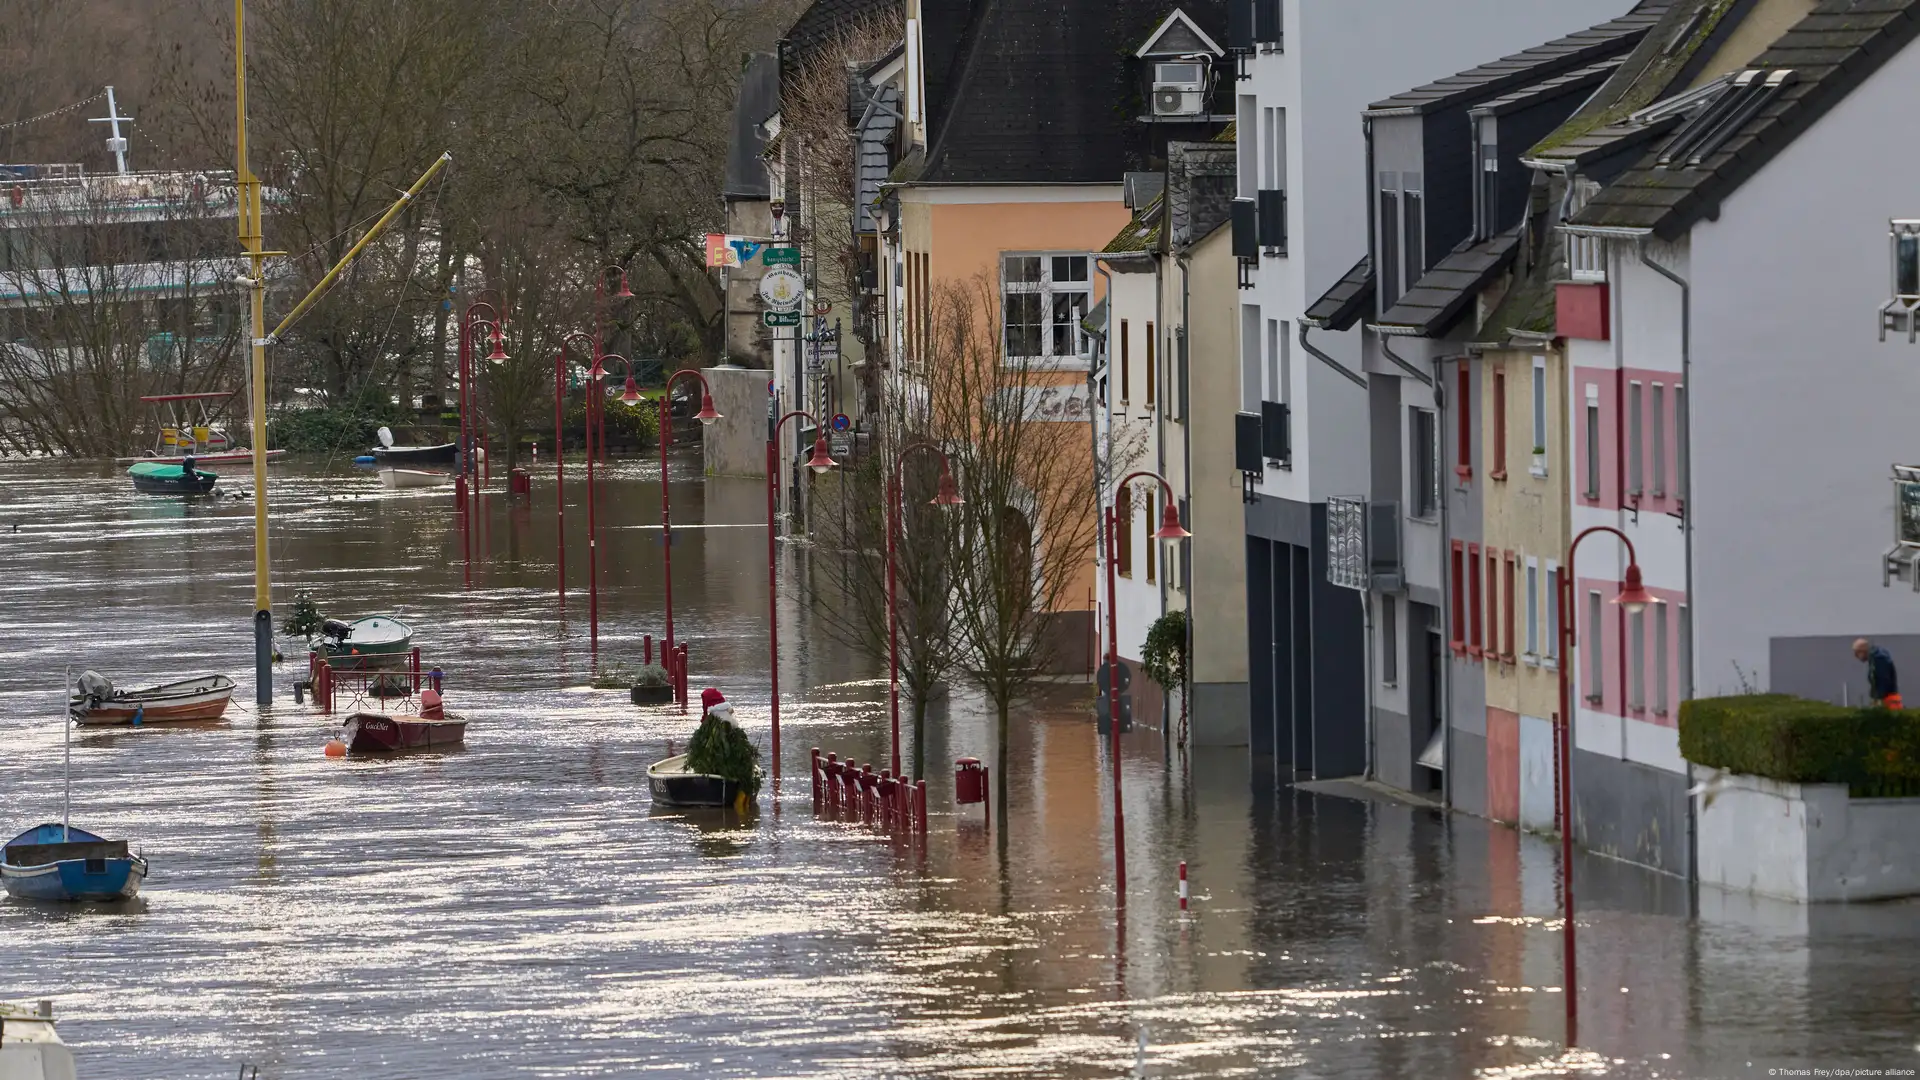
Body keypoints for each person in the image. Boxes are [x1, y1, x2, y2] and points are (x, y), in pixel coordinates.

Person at [1853, 638, 1902, 709]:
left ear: (1862, 651)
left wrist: (1878, 700)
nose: (1856, 656)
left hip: (1888, 700)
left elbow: (1883, 680)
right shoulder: (1876, 656)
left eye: (1856, 653)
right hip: (1889, 698)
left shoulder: (1878, 658)